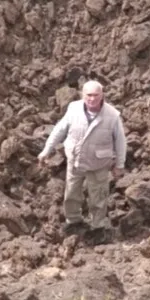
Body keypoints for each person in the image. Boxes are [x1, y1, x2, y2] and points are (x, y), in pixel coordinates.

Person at [38, 80, 127, 237]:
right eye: (88, 95)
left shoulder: (112, 115)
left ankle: (97, 226)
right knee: (71, 193)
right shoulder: (73, 109)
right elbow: (59, 130)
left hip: (99, 163)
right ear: (82, 95)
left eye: (96, 95)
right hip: (76, 160)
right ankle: (73, 222)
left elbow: (120, 141)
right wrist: (47, 150)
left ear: (102, 95)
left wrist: (119, 165)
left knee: (98, 197)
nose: (92, 99)